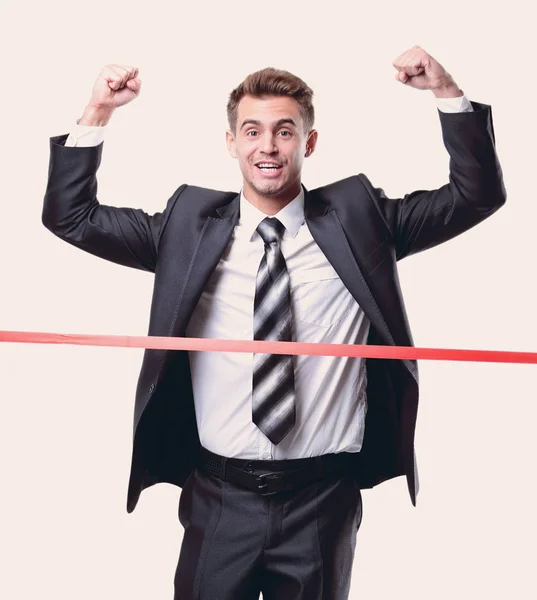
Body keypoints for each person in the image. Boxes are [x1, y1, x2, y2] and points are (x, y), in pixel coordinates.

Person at [41, 45, 506, 600]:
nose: (268, 146)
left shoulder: (362, 220)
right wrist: (97, 112)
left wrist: (445, 90)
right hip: (218, 498)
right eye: (253, 131)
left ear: (308, 143)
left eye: (285, 131)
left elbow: (476, 195)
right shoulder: (186, 227)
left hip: (321, 500)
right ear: (232, 142)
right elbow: (70, 217)